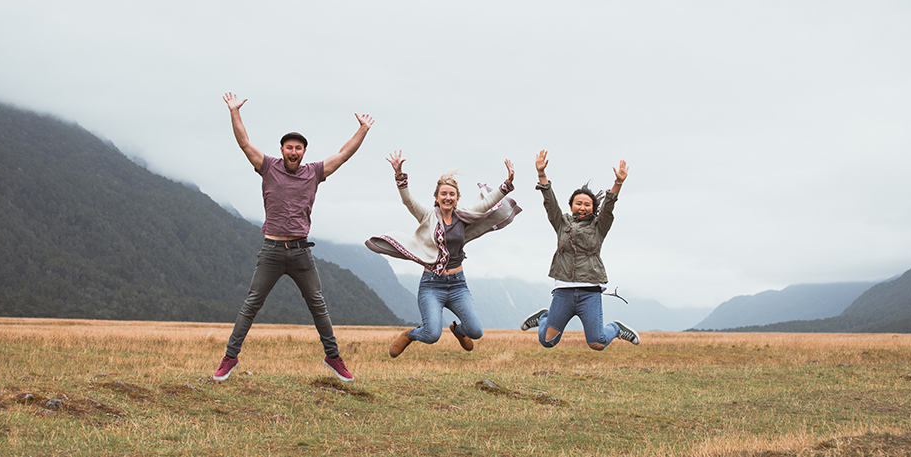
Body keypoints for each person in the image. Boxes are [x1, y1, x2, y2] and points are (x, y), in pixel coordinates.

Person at [213, 92, 373, 383]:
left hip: (301, 253)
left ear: (303, 152)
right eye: (289, 147)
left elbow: (343, 154)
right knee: (251, 304)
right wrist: (234, 112)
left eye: (299, 148)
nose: (294, 152)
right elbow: (244, 143)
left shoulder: (314, 173)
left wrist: (362, 129)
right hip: (272, 250)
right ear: (282, 149)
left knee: (317, 304)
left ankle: (333, 357)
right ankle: (230, 358)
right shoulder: (268, 167)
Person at [366, 150, 521, 358]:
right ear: (437, 198)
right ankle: (409, 335)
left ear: (457, 198)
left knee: (476, 331)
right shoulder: (427, 216)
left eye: (451, 194)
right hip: (432, 285)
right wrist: (399, 175)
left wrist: (507, 182)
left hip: (458, 284)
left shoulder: (464, 216)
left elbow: (488, 203)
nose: (447, 197)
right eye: (443, 194)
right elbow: (408, 201)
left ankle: (458, 331)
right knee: (431, 335)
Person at [519, 150, 640, 351]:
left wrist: (618, 184)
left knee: (597, 343)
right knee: (547, 341)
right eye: (579, 203)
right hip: (563, 291)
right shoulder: (562, 222)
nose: (582, 207)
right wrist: (542, 174)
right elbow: (550, 205)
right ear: (571, 205)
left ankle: (616, 328)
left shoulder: (599, 226)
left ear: (593, 208)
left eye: (587, 204)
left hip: (589, 291)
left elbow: (608, 209)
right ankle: (543, 317)